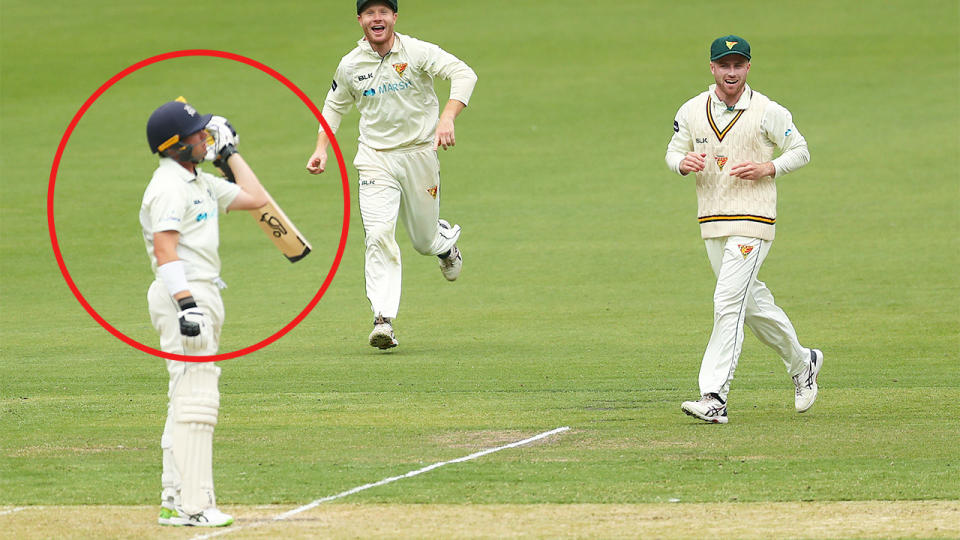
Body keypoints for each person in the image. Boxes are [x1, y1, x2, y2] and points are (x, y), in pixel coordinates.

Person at [664, 35, 823, 424]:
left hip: (754, 219)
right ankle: (804, 363)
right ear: (713, 68)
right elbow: (673, 150)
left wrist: (769, 168)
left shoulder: (767, 110)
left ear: (748, 67)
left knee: (727, 302)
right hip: (713, 219)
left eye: (739, 65)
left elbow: (800, 150)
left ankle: (714, 396)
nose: (731, 72)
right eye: (724, 65)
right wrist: (681, 164)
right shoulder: (691, 110)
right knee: (751, 305)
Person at [306, 0, 478, 350]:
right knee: (379, 233)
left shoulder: (415, 51)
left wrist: (447, 118)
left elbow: (464, 74)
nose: (377, 18)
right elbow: (334, 106)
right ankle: (382, 318)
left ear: (395, 17)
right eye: (369, 13)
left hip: (419, 154)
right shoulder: (351, 65)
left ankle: (444, 243)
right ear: (360, 20)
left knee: (423, 241)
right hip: (375, 158)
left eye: (384, 12)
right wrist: (321, 148)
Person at [141, 99, 268, 525]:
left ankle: (174, 497)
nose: (204, 137)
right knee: (197, 399)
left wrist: (228, 155)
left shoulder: (202, 183)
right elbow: (164, 250)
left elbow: (256, 198)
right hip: (184, 295)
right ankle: (194, 507)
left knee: (186, 394)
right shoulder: (168, 188)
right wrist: (187, 305)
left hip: (204, 292)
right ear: (174, 145)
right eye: (197, 134)